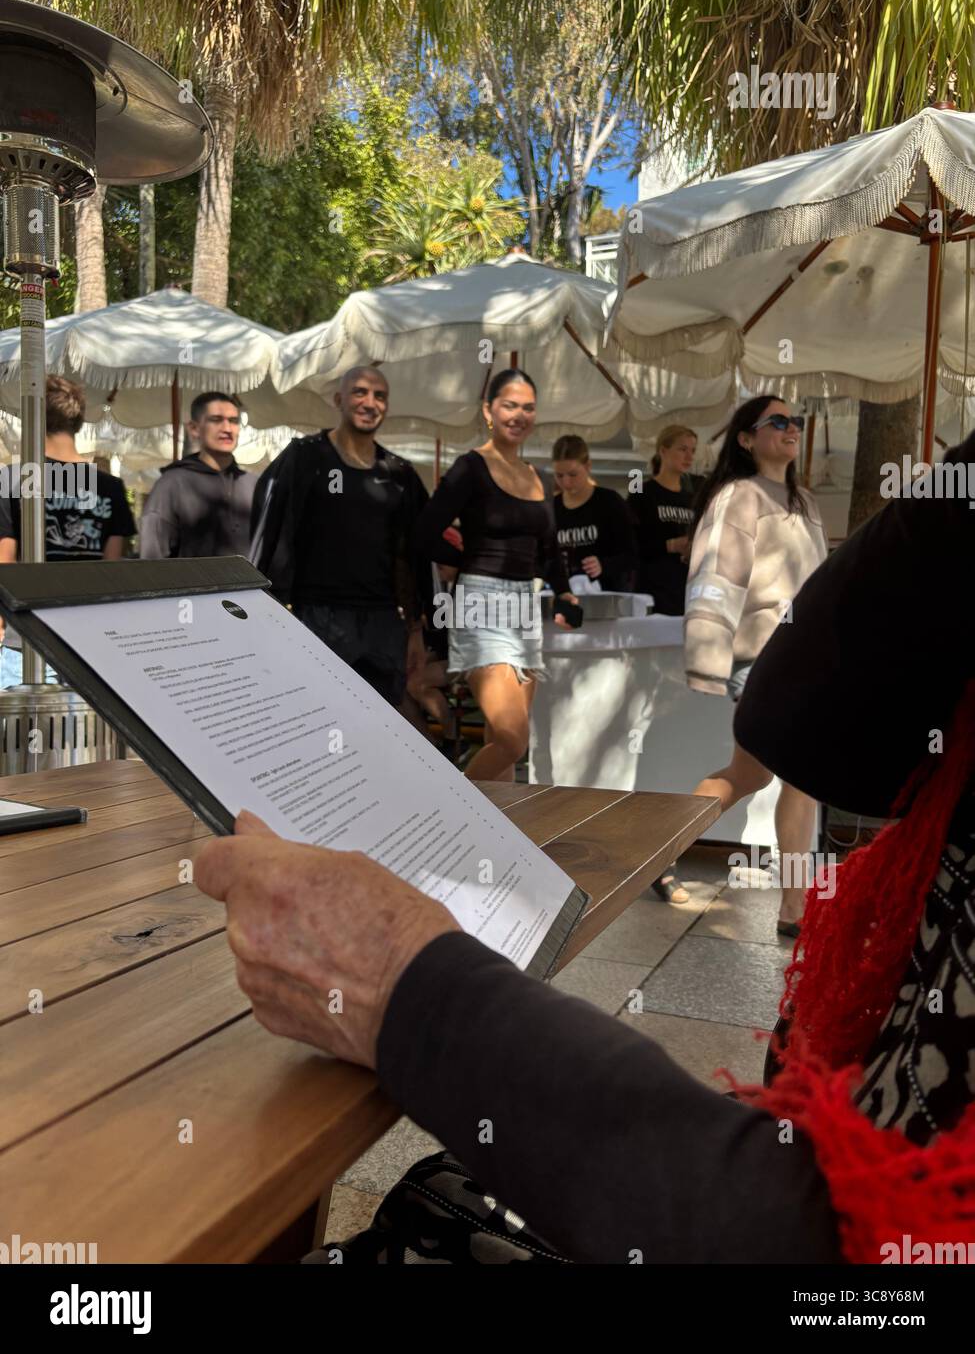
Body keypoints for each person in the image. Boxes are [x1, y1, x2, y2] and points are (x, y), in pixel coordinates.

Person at [192, 455, 974, 1266]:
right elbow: (801, 720)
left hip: (824, 1221)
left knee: (435, 1218)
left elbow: (800, 721)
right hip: (489, 614)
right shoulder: (490, 475)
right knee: (441, 1190)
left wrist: (408, 991)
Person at [684, 396, 828, 934]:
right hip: (763, 657)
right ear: (747, 438)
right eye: (779, 421)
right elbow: (715, 577)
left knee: (751, 774)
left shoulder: (805, 502)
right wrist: (706, 660)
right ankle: (795, 909)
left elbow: (818, 586)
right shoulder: (738, 497)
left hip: (804, 657)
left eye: (797, 422)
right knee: (795, 774)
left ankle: (652, 844)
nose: (792, 428)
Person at [413, 369, 579, 782]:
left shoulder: (539, 477)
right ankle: (449, 805)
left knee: (498, 741)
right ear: (489, 411)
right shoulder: (470, 467)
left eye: (528, 407)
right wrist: (461, 557)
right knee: (512, 739)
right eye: (510, 405)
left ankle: (493, 841)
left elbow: (550, 548)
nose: (519, 415)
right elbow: (420, 532)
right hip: (480, 604)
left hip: (524, 608)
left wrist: (566, 594)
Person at [250, 366, 429, 708]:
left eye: (380, 396)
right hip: (316, 617)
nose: (370, 402)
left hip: (384, 623)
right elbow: (267, 533)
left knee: (380, 728)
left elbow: (417, 553)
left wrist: (417, 629)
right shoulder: (305, 457)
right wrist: (267, 610)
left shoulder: (399, 472)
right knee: (317, 718)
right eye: (359, 392)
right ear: (339, 400)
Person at [0, 375, 135, 688]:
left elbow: (5, 564)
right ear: (79, 420)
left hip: (26, 641)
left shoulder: (13, 479)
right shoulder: (111, 488)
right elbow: (111, 573)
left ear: (32, 418)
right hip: (89, 643)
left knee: (20, 735)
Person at [139, 392, 256, 560]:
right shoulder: (172, 484)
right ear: (194, 429)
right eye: (216, 420)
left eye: (233, 421)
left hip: (253, 586)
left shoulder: (254, 485)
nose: (227, 429)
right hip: (191, 585)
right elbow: (153, 558)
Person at [551, 434, 636, 593]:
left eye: (573, 474)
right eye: (559, 475)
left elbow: (632, 554)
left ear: (588, 466)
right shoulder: (552, 507)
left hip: (607, 597)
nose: (566, 482)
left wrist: (604, 565)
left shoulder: (610, 501)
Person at [628, 424, 698, 614]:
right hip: (652, 589)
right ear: (663, 451)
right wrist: (670, 545)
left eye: (692, 450)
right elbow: (631, 545)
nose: (689, 456)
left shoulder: (692, 498)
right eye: (682, 449)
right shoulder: (641, 492)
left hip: (685, 588)